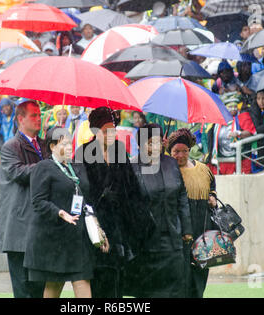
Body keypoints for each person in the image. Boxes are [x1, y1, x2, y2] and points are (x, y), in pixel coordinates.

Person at [74, 107, 155, 298]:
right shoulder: (83, 152)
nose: (110, 134)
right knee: (100, 277)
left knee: (119, 277)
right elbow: (79, 188)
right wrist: (100, 198)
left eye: (113, 129)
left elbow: (132, 185)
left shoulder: (119, 149)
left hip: (120, 223)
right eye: (105, 131)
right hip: (96, 224)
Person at [25, 126, 100, 298]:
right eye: (64, 144)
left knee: (82, 279)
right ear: (52, 146)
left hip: (77, 236)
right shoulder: (43, 167)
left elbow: (85, 199)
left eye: (69, 143)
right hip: (54, 238)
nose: (69, 147)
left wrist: (97, 229)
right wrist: (60, 212)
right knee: (54, 284)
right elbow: (38, 201)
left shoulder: (76, 167)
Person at [125, 123, 193, 298]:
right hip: (145, 241)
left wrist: (186, 229)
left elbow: (182, 196)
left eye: (157, 142)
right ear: (139, 144)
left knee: (175, 287)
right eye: (149, 143)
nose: (154, 146)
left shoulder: (170, 163)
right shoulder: (131, 166)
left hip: (172, 237)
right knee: (148, 290)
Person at [0, 100, 48, 298]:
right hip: (19, 228)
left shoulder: (44, 145)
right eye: (34, 115)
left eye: (39, 115)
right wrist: (48, 167)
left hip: (39, 227)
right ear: (20, 119)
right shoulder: (10, 147)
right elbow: (19, 173)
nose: (39, 119)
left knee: (40, 288)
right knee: (23, 289)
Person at [167, 128, 218, 298]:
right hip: (179, 230)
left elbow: (212, 187)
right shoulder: (166, 170)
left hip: (202, 228)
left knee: (200, 273)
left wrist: (212, 197)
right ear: (169, 151)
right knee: (180, 275)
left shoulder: (203, 169)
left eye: (184, 151)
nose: (180, 155)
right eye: (176, 151)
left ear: (189, 150)